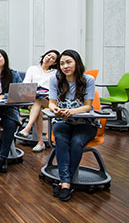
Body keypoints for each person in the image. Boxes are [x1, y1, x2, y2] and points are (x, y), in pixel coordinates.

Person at [48, 50, 97, 201]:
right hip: (63, 120)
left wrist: (73, 110)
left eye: (68, 62)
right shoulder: (55, 79)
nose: (65, 66)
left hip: (85, 122)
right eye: (62, 63)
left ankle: (64, 182)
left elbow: (88, 106)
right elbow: (51, 102)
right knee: (61, 140)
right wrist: (54, 109)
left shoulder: (87, 80)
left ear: (77, 62)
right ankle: (66, 183)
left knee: (76, 142)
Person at [18, 49, 60, 152]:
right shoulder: (32, 69)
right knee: (38, 108)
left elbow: (57, 89)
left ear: (55, 62)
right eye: (48, 55)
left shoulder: (55, 73)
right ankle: (40, 142)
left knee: (39, 101)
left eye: (52, 58)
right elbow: (25, 85)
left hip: (48, 101)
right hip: (31, 99)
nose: (49, 58)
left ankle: (27, 128)